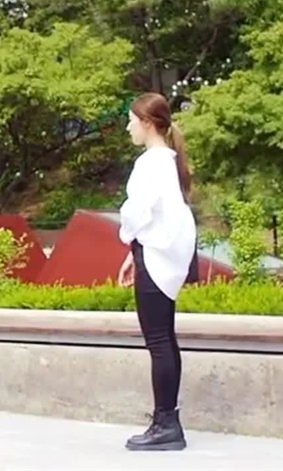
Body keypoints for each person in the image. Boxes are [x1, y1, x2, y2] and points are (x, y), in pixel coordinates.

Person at [116, 92, 198, 452]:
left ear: (148, 123)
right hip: (160, 256)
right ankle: (168, 420)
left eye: (132, 120)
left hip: (156, 258)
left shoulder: (151, 163)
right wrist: (133, 251)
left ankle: (166, 424)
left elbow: (138, 212)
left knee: (159, 341)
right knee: (165, 339)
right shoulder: (168, 161)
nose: (128, 127)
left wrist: (130, 238)